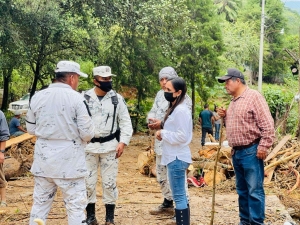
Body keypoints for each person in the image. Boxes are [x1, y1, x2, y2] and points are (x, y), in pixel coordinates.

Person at [26, 60, 95, 225]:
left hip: (44, 163)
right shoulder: (77, 99)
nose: (77, 82)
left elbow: (30, 129)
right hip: (70, 165)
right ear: (71, 78)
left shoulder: (38, 97)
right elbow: (87, 134)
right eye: (77, 78)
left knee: (40, 206)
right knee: (75, 207)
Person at [217, 68, 275, 225]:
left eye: (227, 81)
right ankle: (245, 222)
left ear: (237, 80)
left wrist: (264, 146)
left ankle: (256, 222)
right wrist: (225, 117)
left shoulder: (253, 97)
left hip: (251, 151)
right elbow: (237, 125)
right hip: (237, 153)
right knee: (242, 191)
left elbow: (268, 125)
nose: (225, 85)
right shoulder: (234, 101)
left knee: (254, 191)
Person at [83, 65, 133, 225]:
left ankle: (109, 218)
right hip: (88, 148)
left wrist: (123, 142)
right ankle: (90, 216)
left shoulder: (116, 99)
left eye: (109, 79)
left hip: (110, 146)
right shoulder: (84, 98)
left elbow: (126, 122)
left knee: (109, 183)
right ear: (95, 81)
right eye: (104, 79)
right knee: (88, 183)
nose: (108, 81)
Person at [147, 67, 192, 216]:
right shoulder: (160, 95)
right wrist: (152, 120)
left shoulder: (183, 99)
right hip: (162, 143)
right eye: (161, 79)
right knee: (162, 176)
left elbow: (181, 126)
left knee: (178, 180)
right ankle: (168, 202)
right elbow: (153, 110)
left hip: (175, 145)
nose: (164, 82)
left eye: (167, 79)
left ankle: (182, 207)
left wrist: (162, 124)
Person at [0, 110, 10, 207]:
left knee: (0, 176)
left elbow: (4, 134)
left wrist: (1, 152)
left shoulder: (0, 114)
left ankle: (3, 200)